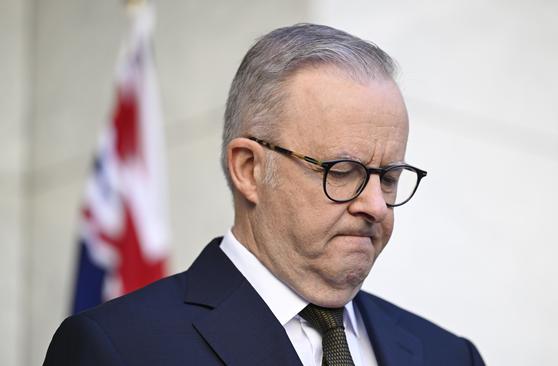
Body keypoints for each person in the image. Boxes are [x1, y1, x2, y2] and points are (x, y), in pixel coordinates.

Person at [44, 23, 485, 366]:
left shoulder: (448, 355)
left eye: (388, 177)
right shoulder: (121, 349)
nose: (375, 205)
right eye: (343, 172)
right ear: (249, 169)